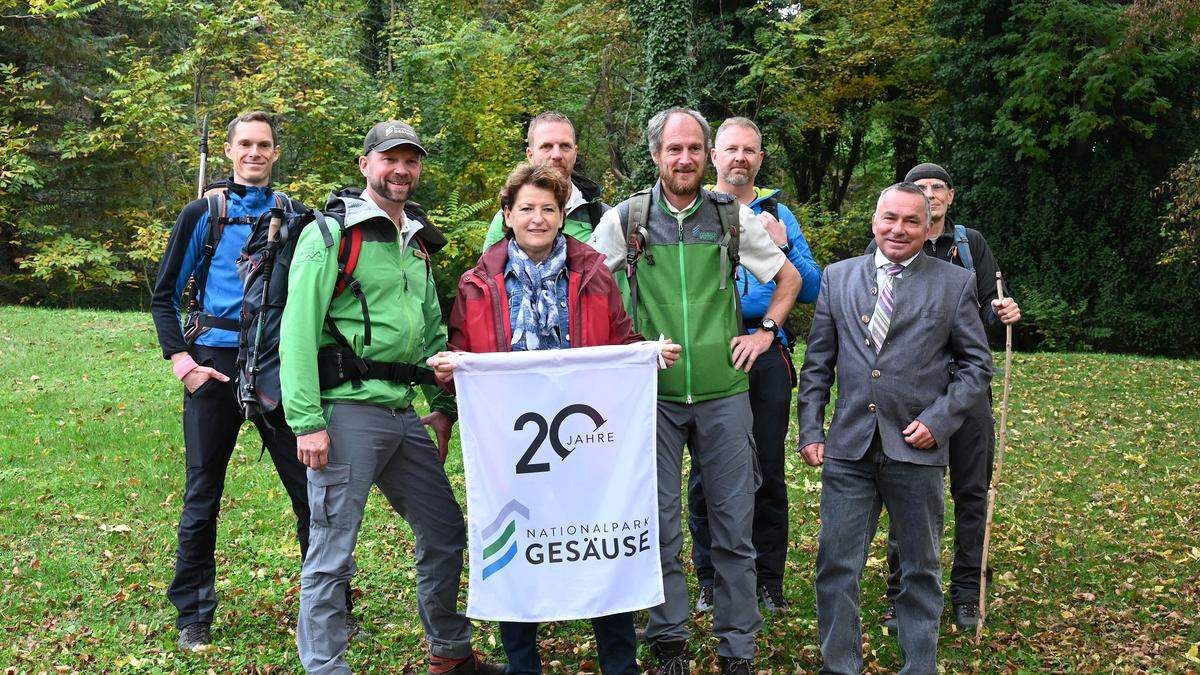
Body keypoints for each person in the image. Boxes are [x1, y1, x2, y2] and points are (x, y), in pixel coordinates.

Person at [427, 162, 681, 674]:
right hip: (512, 451)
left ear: (564, 215)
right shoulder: (477, 282)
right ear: (507, 215)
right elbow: (461, 350)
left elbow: (619, 338)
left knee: (602, 541)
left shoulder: (593, 273)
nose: (538, 218)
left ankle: (619, 663)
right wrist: (450, 370)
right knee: (517, 550)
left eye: (549, 208)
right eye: (527, 208)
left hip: (585, 441)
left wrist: (647, 355)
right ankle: (523, 664)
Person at [279, 121, 503, 674]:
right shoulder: (329, 235)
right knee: (333, 547)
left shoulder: (416, 241)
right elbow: (297, 331)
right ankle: (325, 666)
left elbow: (431, 335)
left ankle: (450, 652)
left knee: (446, 530)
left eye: (411, 160)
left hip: (403, 414)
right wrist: (306, 420)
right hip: (347, 412)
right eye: (389, 159)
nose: (400, 170)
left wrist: (445, 407)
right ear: (365, 165)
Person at [588, 107, 802, 675]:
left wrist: (765, 333)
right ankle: (670, 639)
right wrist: (623, 348)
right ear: (656, 155)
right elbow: (587, 284)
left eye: (694, 149)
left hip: (724, 392)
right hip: (651, 397)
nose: (684, 159)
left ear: (707, 155)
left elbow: (789, 278)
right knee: (658, 524)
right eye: (673, 149)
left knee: (734, 522)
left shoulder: (729, 216)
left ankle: (737, 646)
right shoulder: (628, 218)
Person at [150, 110, 341, 651]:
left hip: (278, 364)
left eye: (265, 145)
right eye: (246, 145)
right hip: (213, 361)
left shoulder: (297, 216)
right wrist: (182, 361)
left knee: (309, 491)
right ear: (231, 152)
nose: (255, 153)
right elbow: (165, 294)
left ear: (276, 154)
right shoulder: (203, 214)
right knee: (202, 492)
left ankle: (327, 607)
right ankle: (193, 613)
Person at [797, 183, 993, 674]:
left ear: (928, 228)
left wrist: (939, 421)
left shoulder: (953, 284)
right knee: (836, 566)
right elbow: (818, 363)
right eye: (890, 218)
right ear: (874, 221)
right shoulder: (838, 278)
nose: (898, 229)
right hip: (849, 450)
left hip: (917, 449)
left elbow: (976, 366)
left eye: (911, 221)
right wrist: (810, 428)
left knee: (920, 570)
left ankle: (919, 666)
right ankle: (840, 665)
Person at [867, 162, 1021, 631]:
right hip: (913, 392)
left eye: (938, 187)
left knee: (971, 491)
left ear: (950, 196)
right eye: (921, 187)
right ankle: (902, 592)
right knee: (907, 490)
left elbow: (992, 311)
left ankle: (968, 591)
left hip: (968, 390)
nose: (929, 194)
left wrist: (1005, 311)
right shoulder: (893, 241)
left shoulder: (969, 245)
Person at [688, 116, 822, 615]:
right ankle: (709, 580)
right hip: (709, 350)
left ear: (760, 159)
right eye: (731, 149)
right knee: (705, 470)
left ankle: (768, 580)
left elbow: (811, 288)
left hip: (766, 349)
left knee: (765, 468)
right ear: (713, 157)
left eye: (750, 150)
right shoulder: (695, 212)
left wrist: (783, 242)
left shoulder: (778, 213)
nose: (740, 157)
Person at [480, 111, 608, 250]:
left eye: (565, 146)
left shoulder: (603, 218)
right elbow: (488, 270)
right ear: (530, 154)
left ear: (575, 153)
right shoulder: (506, 221)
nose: (557, 155)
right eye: (546, 146)